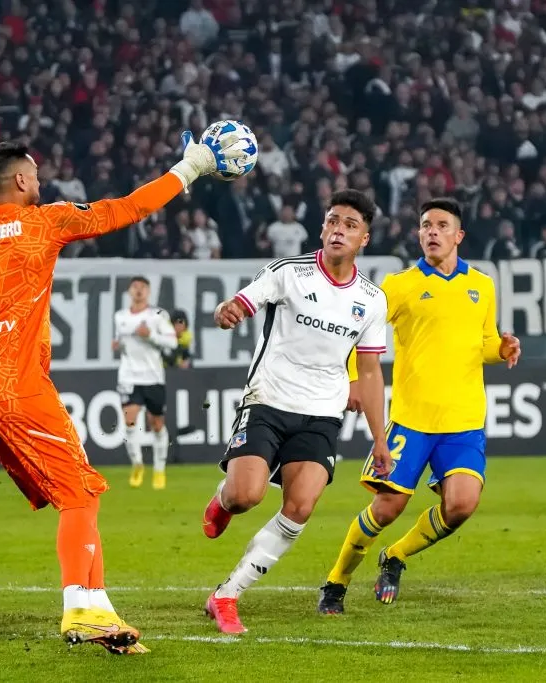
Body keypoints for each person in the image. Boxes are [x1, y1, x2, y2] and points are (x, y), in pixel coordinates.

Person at [0, 135, 243, 655]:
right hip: (18, 385)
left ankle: (100, 612)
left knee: (79, 493)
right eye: (37, 174)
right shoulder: (42, 221)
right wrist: (190, 168)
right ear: (23, 181)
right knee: (78, 495)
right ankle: (79, 607)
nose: (41, 181)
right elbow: (126, 210)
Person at [317, 197, 522, 615]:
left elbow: (481, 343)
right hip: (413, 419)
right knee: (387, 508)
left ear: (458, 235)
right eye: (426, 225)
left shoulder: (481, 285)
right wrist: (354, 376)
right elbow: (360, 331)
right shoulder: (400, 285)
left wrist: (501, 348)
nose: (432, 231)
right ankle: (336, 581)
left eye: (441, 225)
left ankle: (395, 557)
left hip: (463, 419)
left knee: (462, 504)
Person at [200, 189, 391, 634]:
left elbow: (369, 373)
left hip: (322, 413)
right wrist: (226, 312)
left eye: (350, 224)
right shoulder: (288, 273)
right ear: (322, 228)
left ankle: (227, 595)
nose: (339, 229)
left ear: (365, 237)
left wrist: (380, 439)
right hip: (268, 400)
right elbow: (237, 304)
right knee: (247, 496)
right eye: (333, 221)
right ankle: (225, 497)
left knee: (300, 507)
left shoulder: (371, 299)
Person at [113, 276, 178, 490]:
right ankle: (137, 464)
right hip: (129, 376)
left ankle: (159, 469)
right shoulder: (120, 316)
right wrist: (118, 346)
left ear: (148, 292)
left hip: (153, 377)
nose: (139, 291)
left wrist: (150, 336)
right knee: (129, 420)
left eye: (142, 287)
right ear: (129, 292)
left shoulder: (158, 315)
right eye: (135, 287)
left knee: (156, 424)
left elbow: (172, 342)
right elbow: (121, 344)